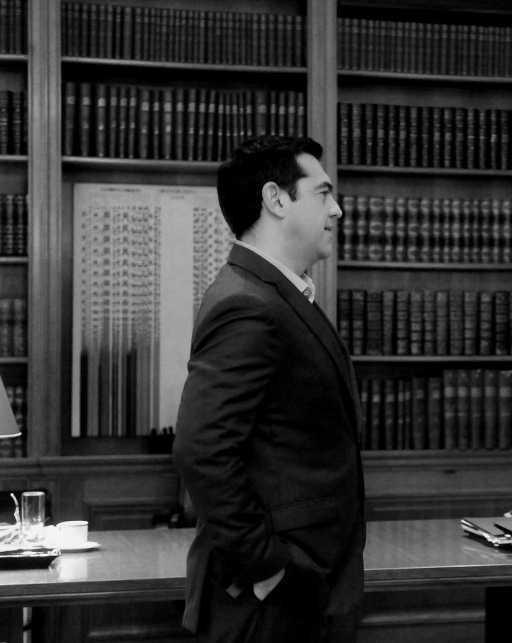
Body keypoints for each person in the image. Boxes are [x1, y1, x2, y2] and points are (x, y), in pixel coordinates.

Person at [173, 135, 365, 642]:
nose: (337, 210)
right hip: (269, 605)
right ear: (276, 199)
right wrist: (270, 568)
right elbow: (202, 451)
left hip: (304, 593)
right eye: (323, 193)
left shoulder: (274, 292)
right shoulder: (248, 303)